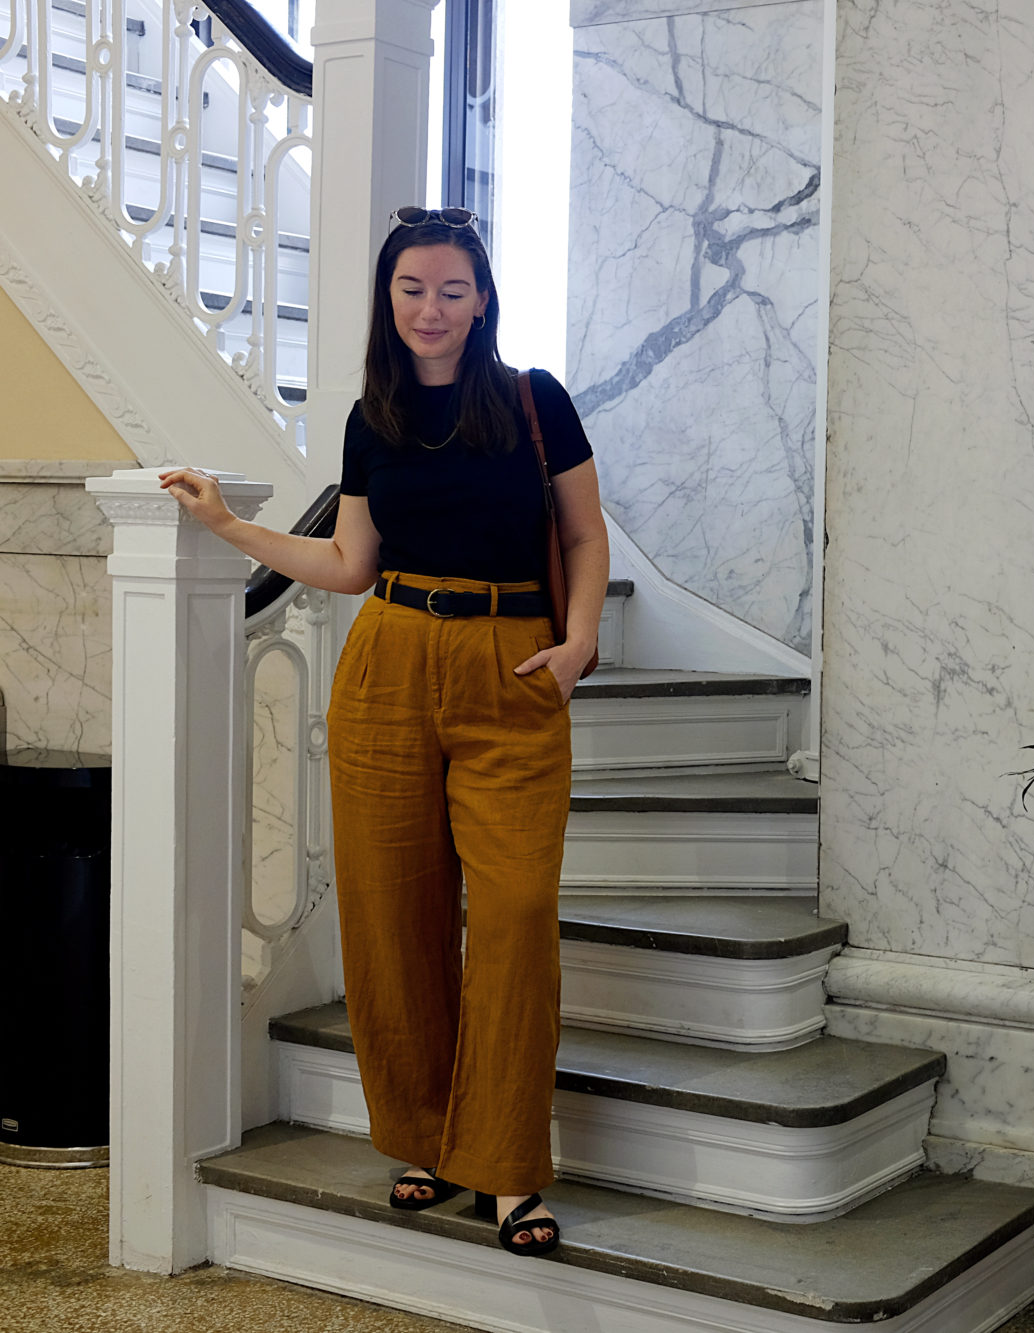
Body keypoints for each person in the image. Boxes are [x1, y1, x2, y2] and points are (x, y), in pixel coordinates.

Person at [160, 206, 608, 1258]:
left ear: (483, 297)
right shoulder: (376, 419)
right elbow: (349, 564)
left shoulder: (537, 404)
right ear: (388, 298)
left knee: (513, 914)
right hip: (389, 659)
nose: (431, 309)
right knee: (390, 912)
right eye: (412, 289)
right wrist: (229, 525)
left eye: (452, 289)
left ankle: (507, 1166)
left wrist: (579, 640)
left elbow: (584, 534)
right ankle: (422, 1137)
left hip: (513, 666)